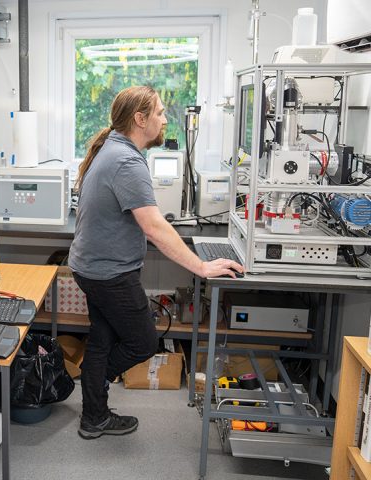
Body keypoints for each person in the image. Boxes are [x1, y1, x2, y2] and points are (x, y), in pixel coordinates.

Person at [69, 86, 243, 440]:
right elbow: (154, 226)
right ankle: (95, 384)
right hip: (108, 274)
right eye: (160, 113)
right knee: (143, 342)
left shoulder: (116, 150)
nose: (165, 119)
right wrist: (202, 267)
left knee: (103, 340)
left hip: (93, 267)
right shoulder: (126, 161)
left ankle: (94, 415)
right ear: (140, 119)